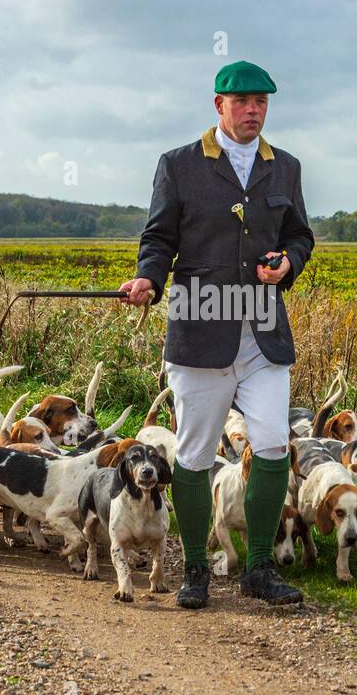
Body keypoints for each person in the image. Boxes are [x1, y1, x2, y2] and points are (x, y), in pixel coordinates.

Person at [120, 60, 315, 608]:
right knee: (196, 453)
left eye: (262, 102)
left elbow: (300, 237)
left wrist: (287, 264)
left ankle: (256, 568)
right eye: (243, 102)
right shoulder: (179, 165)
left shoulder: (287, 168)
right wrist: (148, 279)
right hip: (200, 329)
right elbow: (158, 238)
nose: (254, 110)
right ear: (219, 106)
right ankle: (197, 570)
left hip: (264, 334)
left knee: (274, 442)